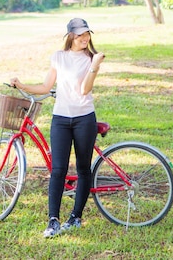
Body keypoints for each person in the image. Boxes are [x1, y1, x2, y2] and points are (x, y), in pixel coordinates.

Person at [10, 17, 105, 238]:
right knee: (58, 170)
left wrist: (94, 67)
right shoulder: (59, 57)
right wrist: (22, 85)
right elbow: (46, 86)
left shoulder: (91, 58)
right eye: (80, 34)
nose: (85, 38)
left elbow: (84, 90)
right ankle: (53, 220)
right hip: (61, 119)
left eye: (87, 34)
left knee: (83, 169)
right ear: (70, 35)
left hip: (84, 118)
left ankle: (75, 218)